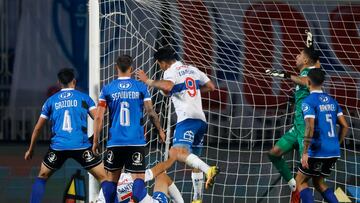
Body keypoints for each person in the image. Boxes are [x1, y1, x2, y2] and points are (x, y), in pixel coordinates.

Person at [137, 46, 219, 203]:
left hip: (186, 119)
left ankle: (209, 170)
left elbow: (167, 86)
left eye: (159, 64)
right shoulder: (192, 69)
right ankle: (197, 199)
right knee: (193, 158)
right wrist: (190, 92)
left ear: (163, 62)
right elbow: (211, 87)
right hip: (201, 120)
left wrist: (148, 80)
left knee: (175, 153)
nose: (160, 67)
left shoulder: (170, 72)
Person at [24, 68, 113, 203]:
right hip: (81, 146)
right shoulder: (84, 98)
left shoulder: (51, 101)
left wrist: (31, 149)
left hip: (58, 148)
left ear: (59, 83)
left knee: (42, 176)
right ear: (74, 81)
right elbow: (98, 119)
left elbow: (37, 128)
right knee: (104, 178)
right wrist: (95, 140)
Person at [93, 55, 166, 203]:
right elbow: (151, 112)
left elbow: (99, 117)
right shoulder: (140, 87)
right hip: (135, 141)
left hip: (115, 142)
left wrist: (95, 140)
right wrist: (160, 130)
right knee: (138, 180)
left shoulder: (107, 89)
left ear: (116, 68)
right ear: (131, 69)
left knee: (111, 181)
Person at [265, 46, 319, 193]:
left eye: (300, 55)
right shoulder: (304, 73)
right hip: (297, 127)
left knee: (307, 176)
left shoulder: (311, 73)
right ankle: (292, 184)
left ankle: (300, 190)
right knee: (274, 153)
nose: (296, 56)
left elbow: (307, 81)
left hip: (306, 128)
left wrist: (286, 75)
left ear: (306, 60)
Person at [296, 68, 348, 203]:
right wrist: (337, 143)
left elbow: (310, 126)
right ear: (323, 82)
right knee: (319, 183)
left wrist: (305, 152)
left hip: (318, 150)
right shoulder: (332, 101)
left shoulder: (308, 101)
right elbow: (345, 126)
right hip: (334, 150)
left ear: (307, 81)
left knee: (300, 182)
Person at [96, 162, 184, 203]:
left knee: (162, 176)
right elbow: (157, 169)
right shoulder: (133, 176)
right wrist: (172, 158)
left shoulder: (104, 190)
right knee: (162, 177)